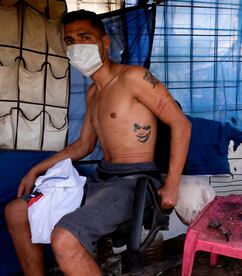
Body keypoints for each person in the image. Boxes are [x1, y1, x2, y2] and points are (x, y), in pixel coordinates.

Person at [4, 9, 191, 276]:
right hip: (100, 182)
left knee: (65, 237)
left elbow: (181, 123)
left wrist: (171, 184)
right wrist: (37, 169)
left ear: (104, 43)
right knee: (16, 211)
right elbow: (83, 146)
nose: (77, 45)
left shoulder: (134, 77)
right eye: (70, 41)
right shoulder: (94, 93)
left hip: (134, 184)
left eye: (84, 36)